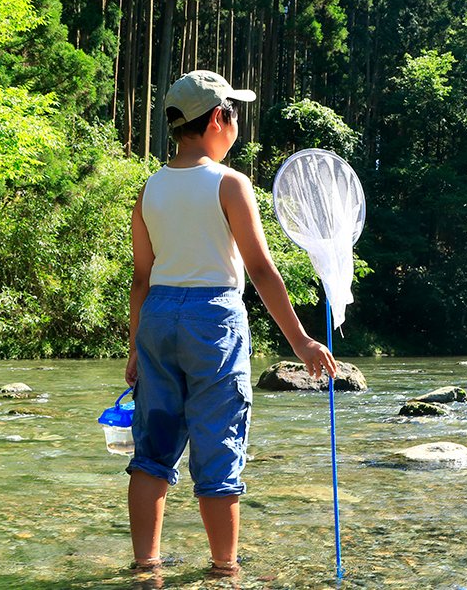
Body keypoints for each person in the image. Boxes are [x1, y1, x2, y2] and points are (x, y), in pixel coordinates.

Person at [124, 69, 337, 577]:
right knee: (219, 444)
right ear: (218, 118)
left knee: (152, 450)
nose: (238, 122)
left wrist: (135, 349)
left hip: (157, 317)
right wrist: (302, 341)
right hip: (213, 319)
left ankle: (145, 566)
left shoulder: (149, 188)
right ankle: (224, 570)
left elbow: (140, 278)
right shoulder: (230, 184)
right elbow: (261, 271)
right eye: (235, 113)